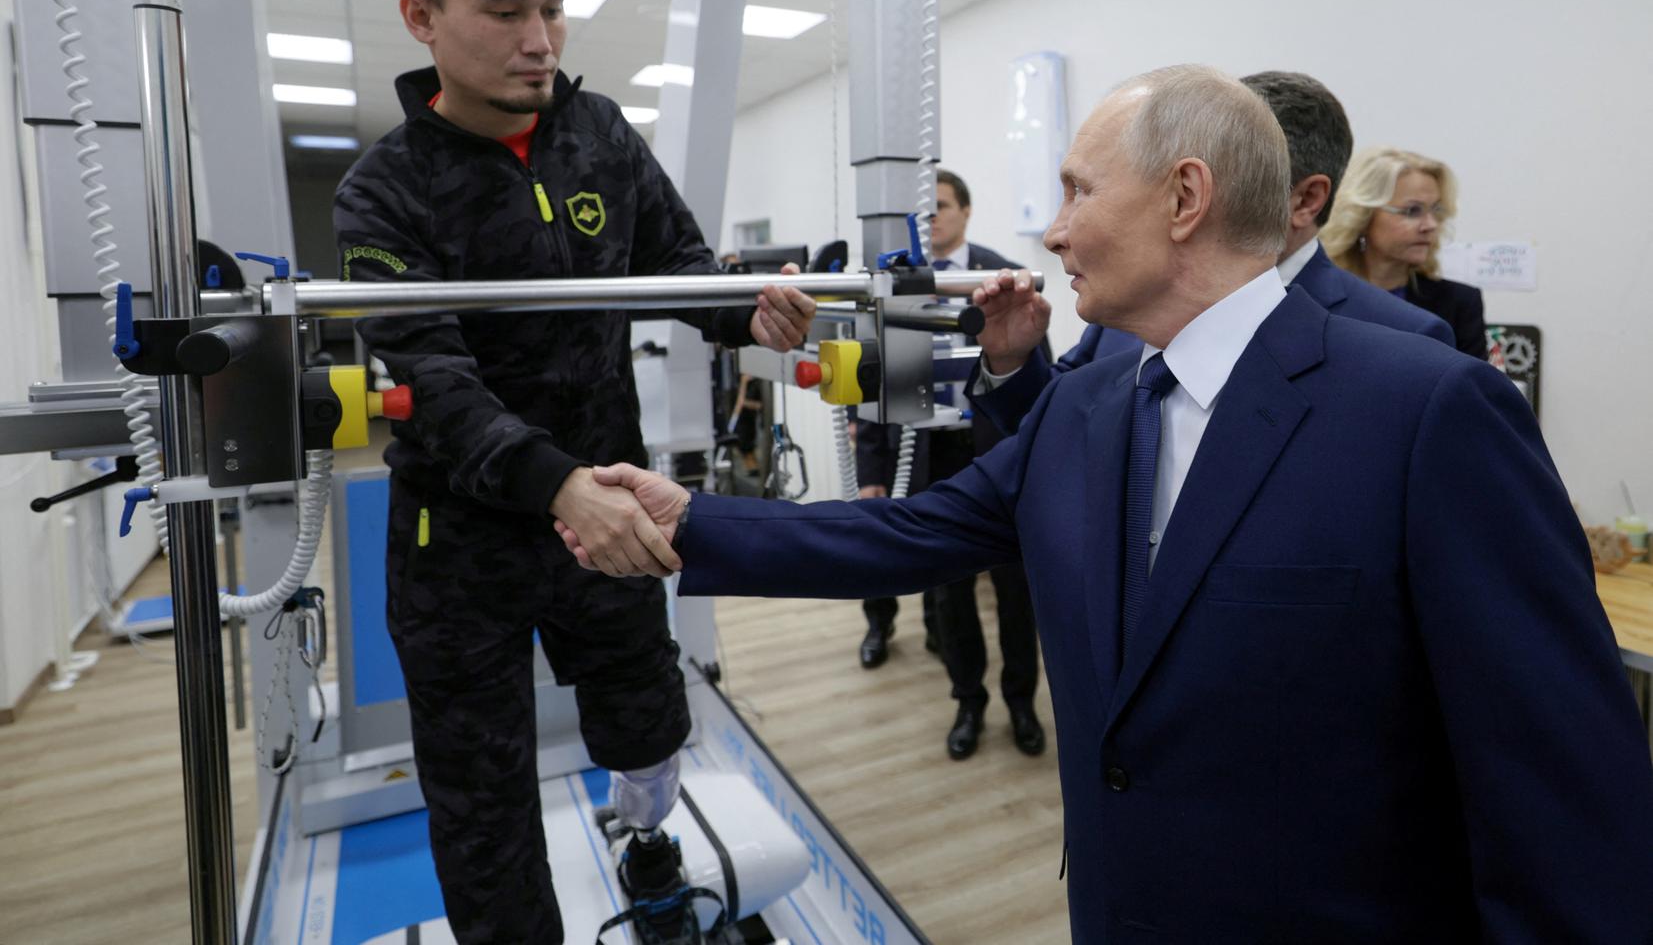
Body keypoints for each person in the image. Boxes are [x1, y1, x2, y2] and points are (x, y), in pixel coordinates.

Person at [556, 65, 1653, 943]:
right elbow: (909, 531)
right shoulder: (1092, 401)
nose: (1053, 231)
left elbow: (1560, 790)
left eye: (1079, 192)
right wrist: (686, 522)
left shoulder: (1425, 409)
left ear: (1185, 198)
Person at [333, 0, 815, 945]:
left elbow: (677, 268)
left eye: (553, 8)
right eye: (504, 10)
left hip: (613, 508)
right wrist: (557, 487)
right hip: (461, 541)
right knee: (480, 797)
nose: (540, 39)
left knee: (647, 722)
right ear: (422, 18)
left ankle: (647, 844)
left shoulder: (598, 135)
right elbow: (436, 383)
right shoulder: (383, 192)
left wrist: (751, 309)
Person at [968, 71, 1454, 435]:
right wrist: (1010, 360)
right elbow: (1054, 427)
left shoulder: (1404, 342)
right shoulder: (1135, 305)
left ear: (1306, 199)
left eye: (1246, 173)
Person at [854, 169, 1047, 761]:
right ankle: (969, 702)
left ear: (965, 211)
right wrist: (872, 473)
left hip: (999, 453)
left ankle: (1020, 702)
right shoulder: (894, 285)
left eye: (940, 208)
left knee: (1017, 596)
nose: (930, 220)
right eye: (924, 212)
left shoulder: (1002, 276)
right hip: (927, 455)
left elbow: (1041, 377)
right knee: (949, 594)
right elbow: (872, 386)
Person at [1321, 145, 1489, 358]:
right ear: (1363, 216)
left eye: (1436, 210)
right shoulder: (1315, 298)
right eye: (1412, 211)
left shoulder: (1460, 303)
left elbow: (1472, 390)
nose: (1430, 225)